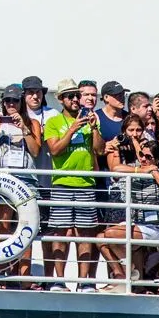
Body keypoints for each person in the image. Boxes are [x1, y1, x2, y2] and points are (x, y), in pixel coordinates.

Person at [44, 78, 105, 291]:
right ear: (61, 100)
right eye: (70, 96)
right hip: (61, 183)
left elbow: (99, 150)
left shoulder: (90, 121)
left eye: (77, 95)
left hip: (86, 183)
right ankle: (59, 280)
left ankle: (84, 280)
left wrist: (94, 128)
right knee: (60, 232)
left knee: (85, 233)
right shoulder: (53, 122)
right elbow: (55, 150)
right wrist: (73, 129)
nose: (75, 99)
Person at [0, 85, 42, 286]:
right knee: (4, 227)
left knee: (25, 228)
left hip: (26, 180)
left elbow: (35, 151)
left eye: (15, 101)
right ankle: (5, 275)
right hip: (3, 178)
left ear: (21, 102)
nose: (11, 105)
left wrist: (24, 129)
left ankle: (23, 277)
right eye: (7, 101)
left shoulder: (32, 123)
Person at [98, 140, 159, 292]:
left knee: (110, 234)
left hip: (154, 226)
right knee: (100, 239)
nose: (143, 159)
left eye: (148, 157)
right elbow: (116, 169)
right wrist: (140, 171)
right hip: (135, 223)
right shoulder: (137, 167)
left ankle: (130, 269)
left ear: (157, 159)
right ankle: (121, 275)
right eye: (141, 155)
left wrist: (153, 171)